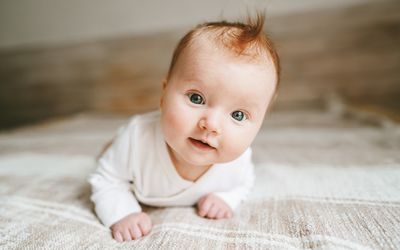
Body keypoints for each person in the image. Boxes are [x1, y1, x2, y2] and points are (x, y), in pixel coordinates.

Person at [88, 13, 280, 242]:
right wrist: (123, 213)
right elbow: (106, 180)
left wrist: (226, 199)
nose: (211, 125)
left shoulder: (238, 162)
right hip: (129, 151)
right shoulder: (136, 139)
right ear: (164, 95)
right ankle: (108, 148)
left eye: (238, 115)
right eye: (196, 98)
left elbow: (244, 183)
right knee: (110, 156)